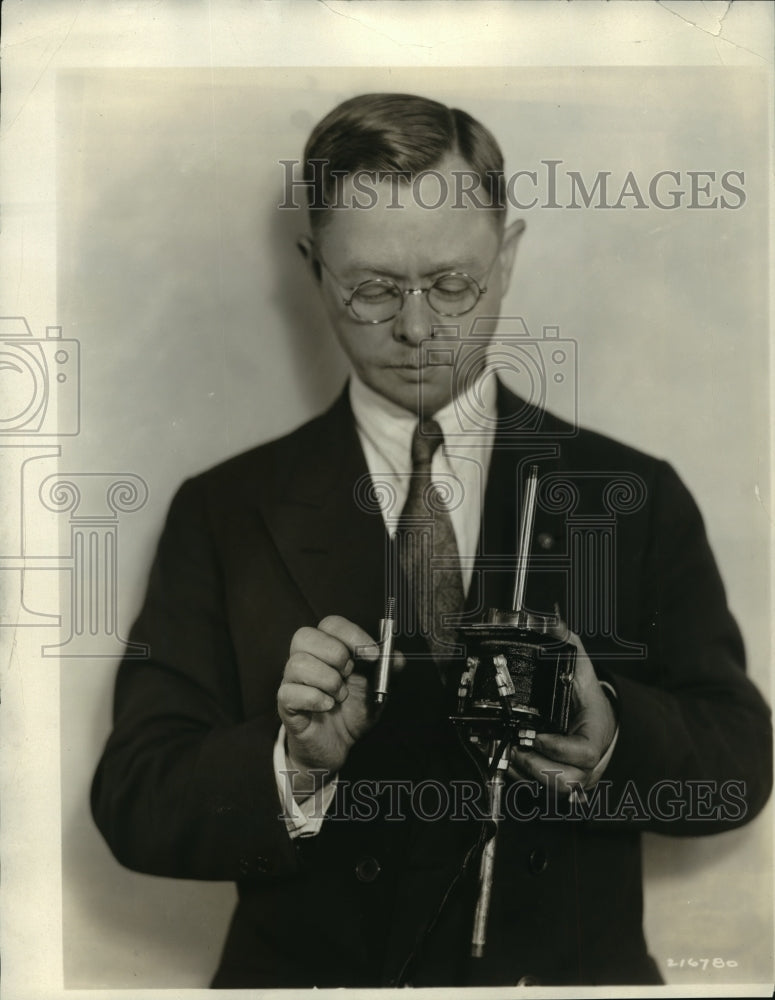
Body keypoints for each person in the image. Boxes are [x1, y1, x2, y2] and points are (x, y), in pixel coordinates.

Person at [91, 93, 772, 988]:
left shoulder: (631, 494)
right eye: (372, 289)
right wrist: (291, 762)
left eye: (453, 284)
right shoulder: (222, 510)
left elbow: (737, 763)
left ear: (509, 256)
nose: (416, 330)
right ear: (313, 268)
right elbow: (135, 800)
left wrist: (609, 734)